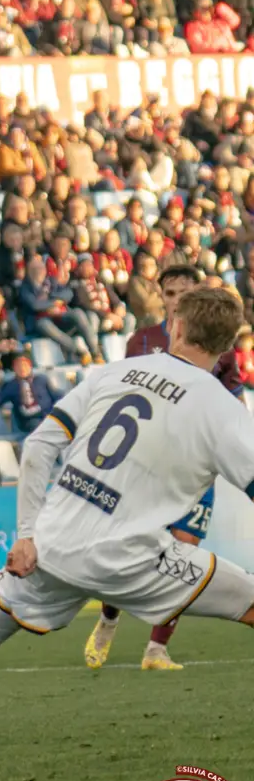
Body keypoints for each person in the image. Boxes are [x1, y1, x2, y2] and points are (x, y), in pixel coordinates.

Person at [0, 288, 254, 781]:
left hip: (50, 549)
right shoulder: (222, 410)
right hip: (132, 560)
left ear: (175, 326)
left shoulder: (115, 372)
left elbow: (42, 443)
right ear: (227, 347)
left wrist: (26, 535)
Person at [85, 265, 245, 673]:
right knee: (131, 548)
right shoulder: (142, 341)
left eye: (185, 292)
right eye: (170, 293)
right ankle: (108, 618)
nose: (177, 300)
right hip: (150, 464)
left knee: (183, 554)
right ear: (161, 297)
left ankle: (156, 650)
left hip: (197, 465)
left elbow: (234, 399)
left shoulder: (218, 346)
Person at [0, 353, 54, 434]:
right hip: (30, 420)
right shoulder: (11, 385)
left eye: (24, 365)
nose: (22, 368)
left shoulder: (41, 379)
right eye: (18, 366)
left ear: (30, 366)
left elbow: (56, 395)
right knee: (42, 427)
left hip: (48, 415)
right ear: (14, 369)